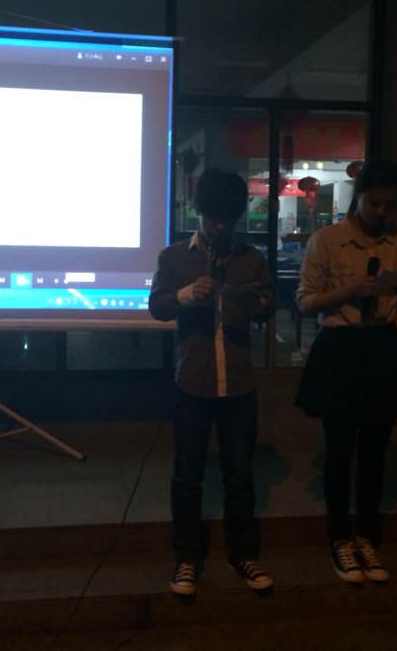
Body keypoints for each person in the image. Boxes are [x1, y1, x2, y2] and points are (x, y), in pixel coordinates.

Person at [148, 168, 276, 596]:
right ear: (198, 211)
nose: (219, 226)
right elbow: (157, 307)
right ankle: (187, 559)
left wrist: (256, 301)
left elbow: (269, 303)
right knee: (187, 475)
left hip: (239, 383)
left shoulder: (251, 258)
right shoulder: (174, 257)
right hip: (192, 381)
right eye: (212, 217)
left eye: (227, 218)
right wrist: (187, 295)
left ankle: (244, 555)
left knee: (240, 475)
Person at [294, 159, 397, 585]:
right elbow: (304, 301)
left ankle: (366, 537)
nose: (382, 212)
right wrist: (350, 290)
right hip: (341, 347)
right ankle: (339, 540)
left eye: (390, 205)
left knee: (375, 450)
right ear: (358, 197)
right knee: (339, 448)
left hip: (383, 344)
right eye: (375, 203)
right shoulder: (327, 240)